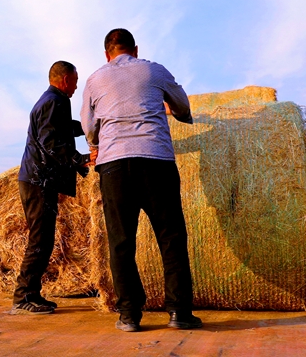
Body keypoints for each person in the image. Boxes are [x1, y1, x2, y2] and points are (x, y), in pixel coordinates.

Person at [80, 28, 202, 332]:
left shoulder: (95, 79)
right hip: (156, 160)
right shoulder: (154, 70)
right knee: (171, 238)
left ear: (107, 54)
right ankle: (179, 312)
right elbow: (183, 107)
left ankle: (129, 315)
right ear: (135, 49)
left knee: (121, 243)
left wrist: (96, 142)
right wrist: (172, 110)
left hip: (114, 166)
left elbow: (88, 126)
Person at [12, 61, 91, 315]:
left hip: (38, 180)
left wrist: (90, 126)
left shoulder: (52, 101)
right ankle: (22, 298)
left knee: (44, 240)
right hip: (38, 181)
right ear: (66, 79)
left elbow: (63, 129)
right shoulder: (54, 101)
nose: (76, 87)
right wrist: (80, 159)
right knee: (39, 240)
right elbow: (51, 141)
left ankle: (32, 294)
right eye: (75, 81)